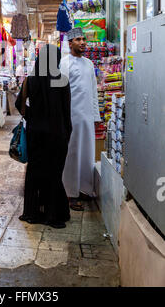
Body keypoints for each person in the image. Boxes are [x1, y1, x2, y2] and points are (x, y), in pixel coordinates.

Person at [15, 44, 72, 228]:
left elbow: (19, 104)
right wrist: (67, 132)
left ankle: (32, 213)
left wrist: (31, 116)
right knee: (54, 173)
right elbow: (66, 111)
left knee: (34, 171)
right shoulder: (62, 80)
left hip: (35, 134)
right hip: (57, 134)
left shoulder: (30, 80)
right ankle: (52, 215)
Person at [60, 28, 101, 211]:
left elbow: (93, 91)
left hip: (86, 117)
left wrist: (96, 115)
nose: (83, 42)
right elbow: (58, 93)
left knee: (87, 152)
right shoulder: (63, 63)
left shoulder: (89, 64)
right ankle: (69, 193)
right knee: (71, 154)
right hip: (70, 117)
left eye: (84, 39)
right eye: (78, 39)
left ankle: (85, 188)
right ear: (70, 43)